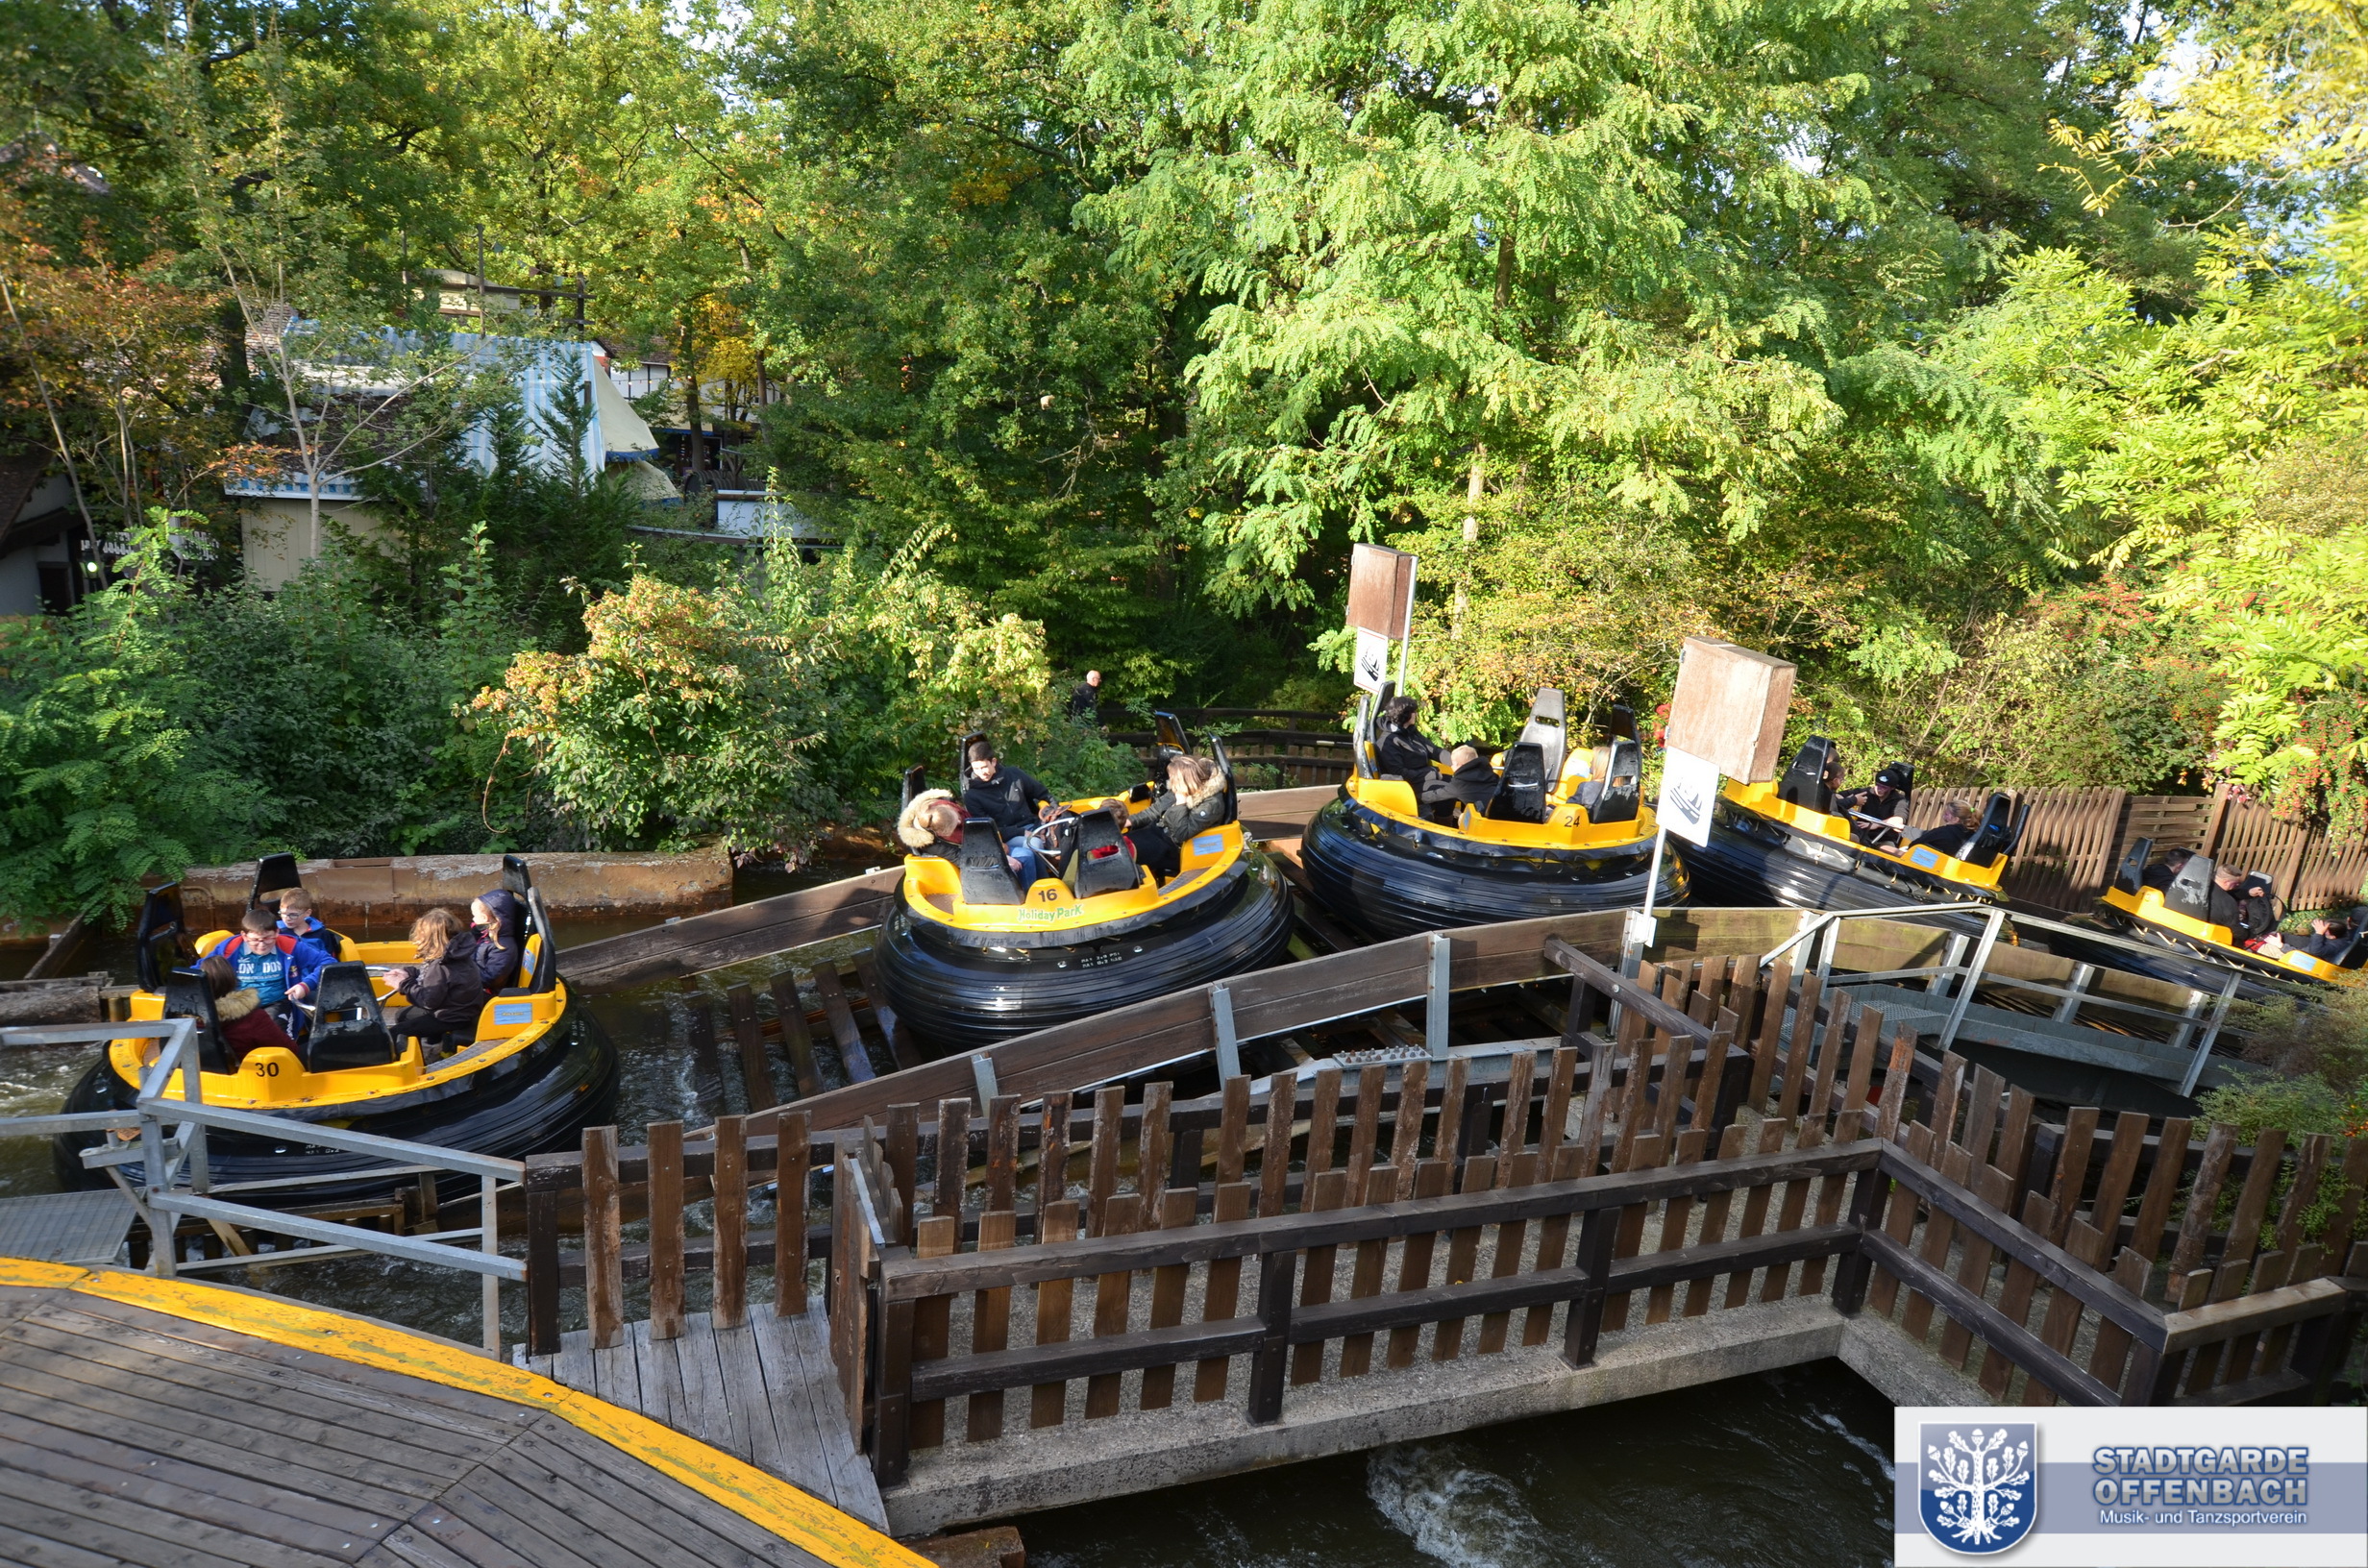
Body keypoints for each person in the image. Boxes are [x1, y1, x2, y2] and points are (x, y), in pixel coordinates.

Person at [382, 909, 485, 1056]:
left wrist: (403, 984)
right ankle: (432, 1045)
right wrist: (410, 973)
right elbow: (436, 980)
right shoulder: (457, 953)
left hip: (451, 1017)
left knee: (396, 1032)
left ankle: (413, 1060)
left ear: (429, 938)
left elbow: (428, 1001)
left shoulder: (441, 964)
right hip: (462, 1009)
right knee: (402, 1015)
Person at [896, 790, 1043, 884]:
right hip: (968, 864)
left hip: (982, 849)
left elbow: (981, 828)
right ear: (942, 833)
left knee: (1027, 855)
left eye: (957, 817)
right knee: (1016, 862)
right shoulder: (930, 843)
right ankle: (1023, 901)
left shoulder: (942, 804)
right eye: (956, 825)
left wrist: (1018, 832)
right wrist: (1000, 859)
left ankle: (1036, 891)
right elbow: (962, 859)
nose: (960, 821)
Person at [206, 907, 312, 1023]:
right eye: (255, 940)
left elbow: (324, 962)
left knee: (273, 1030)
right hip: (237, 1002)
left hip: (276, 1003)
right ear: (244, 936)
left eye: (267, 938)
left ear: (277, 932)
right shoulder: (228, 949)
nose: (261, 945)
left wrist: (305, 985)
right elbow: (199, 972)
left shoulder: (290, 946)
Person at [1130, 756, 1229, 880]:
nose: (1172, 782)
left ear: (1188, 779)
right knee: (1121, 843)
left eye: (1175, 779)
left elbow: (1182, 834)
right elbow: (1155, 810)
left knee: (1126, 854)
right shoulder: (1183, 788)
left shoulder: (1211, 804)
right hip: (1158, 831)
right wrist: (1129, 821)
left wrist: (1180, 803)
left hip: (1175, 848)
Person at [198, 954, 300, 1067]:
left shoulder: (193, 1020)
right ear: (232, 979)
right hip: (252, 1074)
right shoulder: (254, 1018)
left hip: (204, 1075)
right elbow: (289, 1050)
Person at [961, 740, 1055, 845]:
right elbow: (987, 829)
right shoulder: (972, 795)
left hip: (1033, 824)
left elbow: (1042, 793)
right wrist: (1021, 832)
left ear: (993, 762)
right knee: (1035, 844)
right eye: (976, 769)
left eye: (984, 767)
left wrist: (1056, 810)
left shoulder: (1014, 774)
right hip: (1006, 837)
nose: (981, 773)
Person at [274, 889, 342, 999]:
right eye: (283, 914)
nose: (287, 919)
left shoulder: (321, 934)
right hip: (288, 982)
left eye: (293, 915)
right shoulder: (278, 933)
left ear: (307, 913)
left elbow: (330, 960)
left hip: (315, 983)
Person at [1418, 745, 1500, 825]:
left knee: (1462, 817)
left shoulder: (1459, 784)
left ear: (1459, 765)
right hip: (1499, 811)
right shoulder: (1489, 773)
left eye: (1452, 764)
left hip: (1485, 820)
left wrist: (1416, 797)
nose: (1451, 766)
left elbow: (1436, 795)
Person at [1835, 763, 1912, 846]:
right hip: (1861, 834)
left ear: (1892, 788)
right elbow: (1836, 796)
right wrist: (1849, 803)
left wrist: (1876, 824)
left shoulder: (1898, 800)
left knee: (1889, 849)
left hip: (1883, 839)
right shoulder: (1866, 792)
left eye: (1884, 787)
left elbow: (1899, 820)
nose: (1879, 789)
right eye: (1878, 785)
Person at [1375, 695, 1443, 786]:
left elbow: (1434, 750)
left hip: (1425, 777)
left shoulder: (1410, 732)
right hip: (1411, 786)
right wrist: (1431, 774)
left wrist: (1456, 760)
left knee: (1459, 783)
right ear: (1405, 714)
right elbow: (1399, 774)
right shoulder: (1388, 741)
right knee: (1456, 790)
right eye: (1414, 712)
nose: (1416, 714)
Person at [470, 889, 527, 994]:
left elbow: (491, 979)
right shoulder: (483, 935)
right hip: (474, 978)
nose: (473, 919)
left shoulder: (503, 947)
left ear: (484, 918)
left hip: (487, 992)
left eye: (474, 915)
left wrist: (463, 977)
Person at [2207, 865, 2279, 946]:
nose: (2238, 885)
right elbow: (2236, 931)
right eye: (2236, 883)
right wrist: (2251, 935)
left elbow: (2226, 893)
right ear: (2226, 882)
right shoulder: (2228, 905)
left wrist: (2248, 893)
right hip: (2214, 939)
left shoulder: (2204, 884)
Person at [1911, 802, 1981, 859]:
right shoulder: (1975, 836)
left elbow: (1914, 845)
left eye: (1946, 814)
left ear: (1955, 819)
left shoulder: (1942, 832)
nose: (1943, 816)